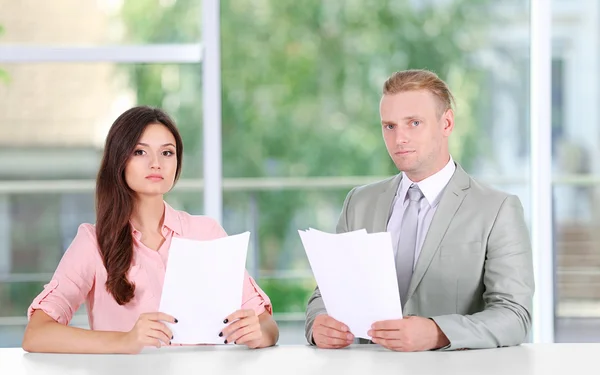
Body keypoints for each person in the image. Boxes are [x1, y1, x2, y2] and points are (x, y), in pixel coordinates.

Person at [304, 69, 534, 351]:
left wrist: (439, 333)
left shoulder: (498, 209)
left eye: (414, 123)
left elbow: (514, 315)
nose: (399, 138)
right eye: (389, 126)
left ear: (446, 123)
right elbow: (327, 293)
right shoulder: (359, 202)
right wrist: (319, 324)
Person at [22, 106, 279, 354]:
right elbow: (37, 334)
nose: (156, 163)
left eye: (167, 153)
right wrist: (126, 341)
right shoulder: (93, 242)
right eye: (140, 152)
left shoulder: (207, 232)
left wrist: (259, 334)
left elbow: (267, 324)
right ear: (119, 160)